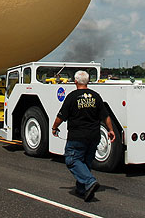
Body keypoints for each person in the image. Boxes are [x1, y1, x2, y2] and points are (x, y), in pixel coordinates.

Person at [51, 70, 115, 202]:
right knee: (85, 162)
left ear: (75, 81)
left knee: (72, 160)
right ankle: (82, 189)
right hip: (94, 136)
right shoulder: (96, 96)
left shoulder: (72, 97)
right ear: (88, 82)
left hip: (77, 136)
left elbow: (61, 116)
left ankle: (89, 181)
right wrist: (110, 130)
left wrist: (54, 127)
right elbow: (105, 115)